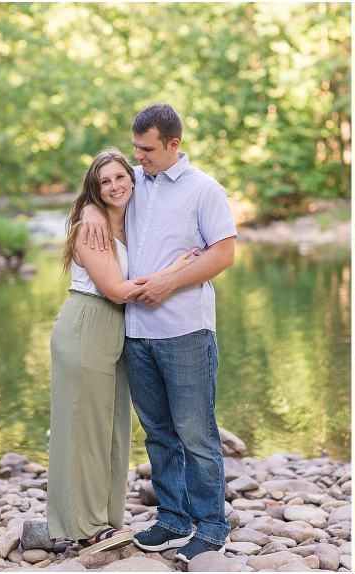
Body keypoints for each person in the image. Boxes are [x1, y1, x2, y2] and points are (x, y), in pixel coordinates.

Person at [80, 103, 237, 563]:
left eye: (146, 149)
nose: (138, 157)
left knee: (196, 434)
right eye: (135, 148)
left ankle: (211, 526)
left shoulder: (204, 189)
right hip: (136, 332)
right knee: (157, 433)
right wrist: (90, 209)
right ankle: (171, 518)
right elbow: (99, 190)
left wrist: (170, 281)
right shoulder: (132, 183)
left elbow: (225, 253)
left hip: (186, 330)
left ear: (173, 145)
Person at [48, 148, 196, 555]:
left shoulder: (132, 222)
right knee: (85, 426)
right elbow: (115, 290)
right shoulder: (89, 228)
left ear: (131, 180)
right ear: (94, 190)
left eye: (119, 178)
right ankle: (86, 526)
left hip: (120, 326)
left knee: (112, 427)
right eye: (104, 182)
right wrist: (175, 272)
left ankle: (107, 519)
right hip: (87, 323)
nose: (114, 187)